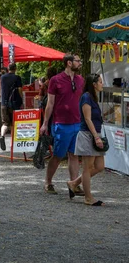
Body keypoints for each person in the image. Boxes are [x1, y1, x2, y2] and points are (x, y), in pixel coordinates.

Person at [40, 53, 84, 194]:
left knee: (74, 155)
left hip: (77, 122)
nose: (80, 63)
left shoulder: (80, 80)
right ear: (69, 63)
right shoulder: (55, 80)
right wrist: (45, 123)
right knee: (58, 155)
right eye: (78, 61)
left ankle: (74, 183)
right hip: (61, 124)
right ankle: (48, 182)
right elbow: (50, 103)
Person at [66, 74, 106, 205]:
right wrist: (96, 137)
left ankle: (74, 183)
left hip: (95, 134)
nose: (102, 84)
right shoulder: (86, 97)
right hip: (88, 135)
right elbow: (87, 119)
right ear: (94, 84)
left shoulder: (93, 98)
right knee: (87, 168)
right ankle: (88, 197)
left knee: (100, 166)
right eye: (100, 82)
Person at [0, 63, 23, 151]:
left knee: (5, 123)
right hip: (14, 104)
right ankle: (12, 144)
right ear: (15, 69)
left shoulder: (3, 77)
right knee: (13, 124)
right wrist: (22, 100)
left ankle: (2, 136)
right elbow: (20, 90)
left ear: (8, 69)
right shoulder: (17, 78)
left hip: (3, 104)